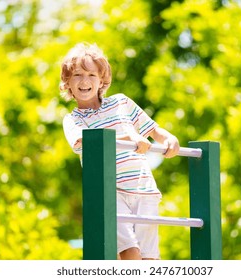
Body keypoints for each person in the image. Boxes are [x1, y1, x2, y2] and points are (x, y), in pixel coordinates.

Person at [60, 43, 180, 260]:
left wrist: (168, 139)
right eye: (77, 74)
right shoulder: (73, 119)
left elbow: (152, 129)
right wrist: (128, 137)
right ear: (67, 82)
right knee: (130, 254)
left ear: (102, 80)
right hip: (109, 192)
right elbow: (84, 141)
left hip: (143, 188)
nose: (84, 81)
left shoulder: (121, 102)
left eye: (91, 74)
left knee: (149, 258)